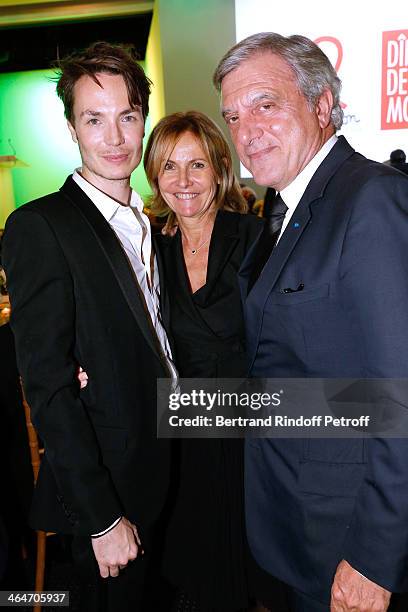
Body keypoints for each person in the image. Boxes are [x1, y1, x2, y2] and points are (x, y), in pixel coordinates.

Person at [213, 32, 408, 612]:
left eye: (265, 104)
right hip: (295, 521)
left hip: (346, 537)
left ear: (322, 105)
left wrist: (376, 556)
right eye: (233, 115)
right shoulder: (285, 204)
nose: (246, 131)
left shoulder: (370, 199)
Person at [2, 42, 176, 612]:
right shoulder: (41, 226)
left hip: (164, 472)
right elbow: (49, 389)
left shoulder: (148, 225)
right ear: (73, 128)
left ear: (143, 121)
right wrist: (102, 520)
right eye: (94, 119)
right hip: (106, 499)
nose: (115, 137)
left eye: (128, 117)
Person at [144, 110, 288, 612]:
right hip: (184, 438)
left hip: (252, 437)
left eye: (197, 165)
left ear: (220, 169)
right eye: (169, 167)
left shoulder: (254, 240)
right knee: (193, 573)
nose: (183, 182)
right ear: (154, 175)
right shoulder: (148, 251)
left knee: (257, 575)